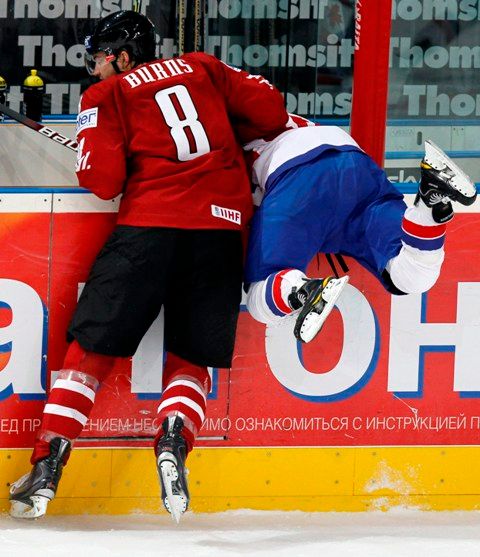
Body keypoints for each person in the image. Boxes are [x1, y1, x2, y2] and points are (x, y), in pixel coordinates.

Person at [9, 10, 290, 522]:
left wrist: (97, 149)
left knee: (91, 347)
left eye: (98, 59)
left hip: (149, 230)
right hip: (222, 232)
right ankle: (174, 438)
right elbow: (271, 112)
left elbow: (102, 182)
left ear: (121, 56)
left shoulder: (107, 96)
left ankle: (47, 466)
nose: (93, 70)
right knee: (190, 356)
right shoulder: (203, 67)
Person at [243, 117, 477, 342]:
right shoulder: (278, 116)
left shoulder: (232, 133)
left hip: (294, 172)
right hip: (352, 160)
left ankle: (304, 289)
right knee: (411, 276)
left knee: (258, 295)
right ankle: (428, 203)